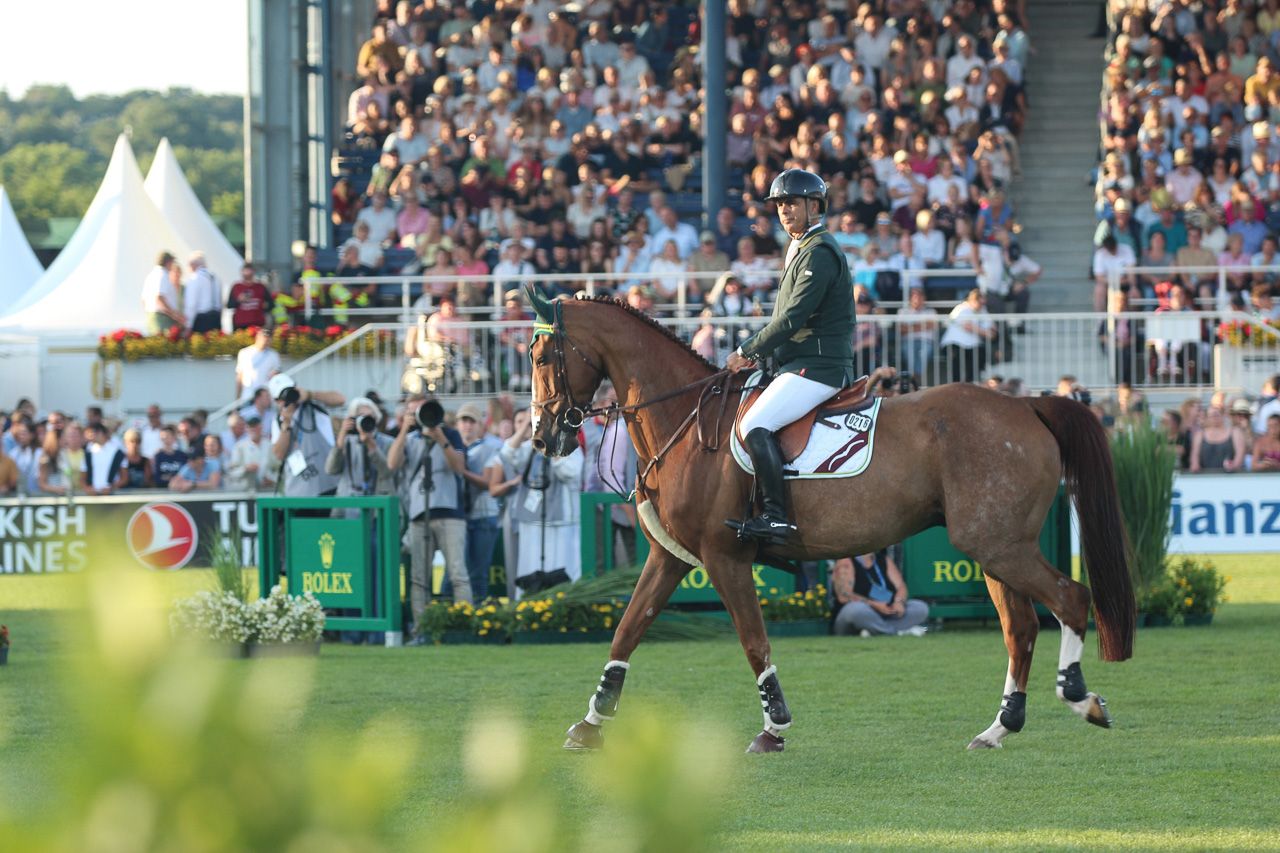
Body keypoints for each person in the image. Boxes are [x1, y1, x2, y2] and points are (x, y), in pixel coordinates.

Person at [725, 169, 855, 544]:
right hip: (797, 363)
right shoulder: (799, 247)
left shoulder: (820, 252)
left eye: (792, 202)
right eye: (780, 204)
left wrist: (746, 351)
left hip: (818, 367)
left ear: (815, 206)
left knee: (754, 425)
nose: (784, 210)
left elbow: (791, 319)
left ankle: (776, 517)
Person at [387, 397, 474, 636]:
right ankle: (421, 628)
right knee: (419, 578)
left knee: (458, 574)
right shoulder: (410, 439)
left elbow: (459, 467)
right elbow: (392, 464)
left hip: (450, 513)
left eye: (424, 410)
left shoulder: (451, 435)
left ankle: (465, 626)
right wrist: (404, 429)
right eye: (414, 412)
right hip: (418, 514)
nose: (421, 416)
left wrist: (440, 437)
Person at [499, 409, 585, 595]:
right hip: (532, 522)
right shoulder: (531, 448)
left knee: (562, 570)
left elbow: (571, 473)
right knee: (530, 568)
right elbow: (507, 453)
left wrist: (553, 446)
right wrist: (526, 425)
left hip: (562, 522)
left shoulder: (571, 447)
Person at [454, 402, 505, 600]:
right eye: (463, 420)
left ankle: (477, 615)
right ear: (457, 424)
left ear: (480, 425)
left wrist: (462, 471)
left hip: (484, 515)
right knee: (455, 572)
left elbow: (487, 482)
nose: (467, 425)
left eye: (471, 421)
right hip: (458, 517)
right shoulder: (451, 447)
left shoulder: (492, 446)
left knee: (478, 574)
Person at [268, 374, 344, 497]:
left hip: (330, 485)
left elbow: (340, 399)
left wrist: (310, 394)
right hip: (300, 492)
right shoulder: (278, 421)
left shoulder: (314, 406)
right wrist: (286, 425)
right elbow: (279, 454)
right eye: (283, 397)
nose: (289, 399)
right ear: (277, 401)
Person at [830, 552, 930, 636]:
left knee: (920, 607)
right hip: (860, 614)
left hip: (888, 612)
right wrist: (874, 605)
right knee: (857, 610)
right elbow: (843, 597)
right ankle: (896, 632)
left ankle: (875, 631)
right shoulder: (846, 561)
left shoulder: (883, 559)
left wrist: (899, 602)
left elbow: (901, 586)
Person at [1190, 405, 1248, 472]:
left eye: (1216, 415)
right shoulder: (1200, 435)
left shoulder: (1235, 432)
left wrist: (1234, 465)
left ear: (1223, 415)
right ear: (1207, 417)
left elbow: (1240, 454)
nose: (1214, 418)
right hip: (1205, 475)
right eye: (1211, 416)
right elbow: (1194, 455)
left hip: (1229, 475)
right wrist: (1195, 465)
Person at [225, 416, 277, 492]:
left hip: (267, 490)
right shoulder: (239, 447)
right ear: (247, 429)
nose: (253, 431)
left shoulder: (270, 446)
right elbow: (231, 472)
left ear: (261, 428)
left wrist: (272, 480)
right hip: (246, 490)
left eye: (256, 428)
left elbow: (278, 468)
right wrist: (245, 468)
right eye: (251, 428)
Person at [142, 251, 184, 335]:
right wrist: (174, 315)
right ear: (168, 262)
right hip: (162, 319)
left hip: (151, 317)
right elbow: (159, 298)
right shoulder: (162, 274)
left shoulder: (151, 275)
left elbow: (143, 300)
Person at [80, 423, 126, 496]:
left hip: (113, 497)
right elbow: (82, 478)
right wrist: (87, 489)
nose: (88, 437)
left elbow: (124, 478)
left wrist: (111, 488)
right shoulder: (88, 453)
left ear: (100, 433)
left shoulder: (118, 452)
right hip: (93, 497)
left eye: (91, 433)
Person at [235, 328, 282, 399]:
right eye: (264, 338)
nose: (266, 341)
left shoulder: (274, 355)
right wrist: (238, 397)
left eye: (268, 339)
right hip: (248, 395)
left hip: (265, 396)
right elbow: (240, 376)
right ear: (257, 338)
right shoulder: (244, 353)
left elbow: (276, 376)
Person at [184, 252, 223, 333]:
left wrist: (188, 325)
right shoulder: (215, 278)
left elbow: (191, 305)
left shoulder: (194, 278)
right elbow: (220, 302)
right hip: (216, 318)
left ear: (192, 265)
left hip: (201, 321)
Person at [226, 264, 273, 330]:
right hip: (240, 325)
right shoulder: (236, 287)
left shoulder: (261, 287)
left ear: (253, 272)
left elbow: (271, 304)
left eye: (249, 271)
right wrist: (239, 300)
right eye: (245, 271)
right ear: (242, 272)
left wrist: (265, 306)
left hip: (257, 324)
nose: (247, 273)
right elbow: (229, 305)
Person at [152, 425, 187, 489]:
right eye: (163, 438)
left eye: (168, 437)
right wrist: (175, 477)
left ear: (174, 438)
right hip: (163, 490)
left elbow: (185, 475)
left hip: (179, 490)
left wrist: (167, 477)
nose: (166, 440)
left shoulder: (182, 455)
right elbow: (157, 478)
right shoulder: (158, 456)